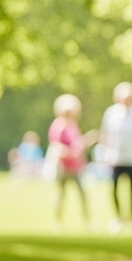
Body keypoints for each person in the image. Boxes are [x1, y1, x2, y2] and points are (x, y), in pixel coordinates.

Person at [100, 82, 132, 233]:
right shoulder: (111, 113)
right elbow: (105, 135)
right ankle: (118, 218)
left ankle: (131, 218)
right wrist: (104, 154)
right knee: (114, 189)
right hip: (115, 158)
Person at [48, 94, 93, 230]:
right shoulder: (58, 126)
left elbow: (77, 144)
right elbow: (57, 146)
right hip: (63, 167)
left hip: (76, 167)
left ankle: (88, 223)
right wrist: (71, 152)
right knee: (61, 195)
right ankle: (57, 222)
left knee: (83, 195)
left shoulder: (73, 125)